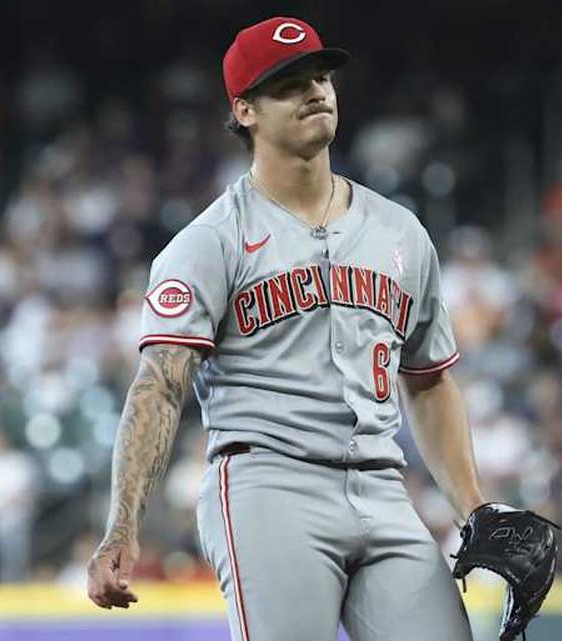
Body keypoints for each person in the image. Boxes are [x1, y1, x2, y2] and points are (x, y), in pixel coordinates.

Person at [87, 16, 484, 641]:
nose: (315, 92)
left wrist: (475, 511)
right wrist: (122, 525)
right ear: (244, 110)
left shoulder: (400, 233)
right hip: (269, 484)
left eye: (321, 77)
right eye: (289, 83)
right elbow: (159, 388)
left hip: (381, 486)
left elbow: (429, 382)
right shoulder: (209, 243)